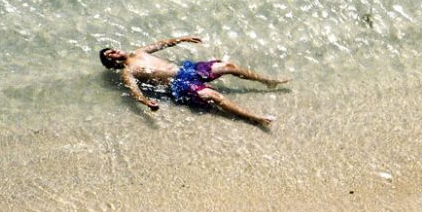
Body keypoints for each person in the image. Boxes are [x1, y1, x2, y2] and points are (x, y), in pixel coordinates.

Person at [99, 35, 288, 126]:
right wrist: (146, 102)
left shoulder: (139, 52)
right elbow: (134, 90)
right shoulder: (127, 72)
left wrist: (182, 39)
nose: (114, 53)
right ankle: (255, 118)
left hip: (187, 70)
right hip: (180, 84)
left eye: (112, 50)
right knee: (213, 96)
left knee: (228, 66)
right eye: (110, 56)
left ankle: (267, 81)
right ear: (112, 63)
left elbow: (160, 44)